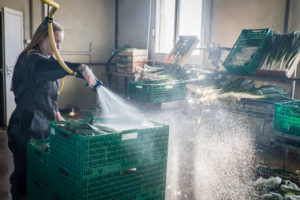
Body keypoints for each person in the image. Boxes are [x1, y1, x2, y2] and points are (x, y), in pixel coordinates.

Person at [7, 20, 97, 200]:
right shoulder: (30, 59)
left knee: (38, 175)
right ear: (42, 38)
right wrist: (80, 67)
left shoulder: (47, 60)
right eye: (55, 41)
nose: (58, 46)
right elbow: (49, 70)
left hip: (42, 127)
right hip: (26, 127)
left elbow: (48, 95)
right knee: (24, 177)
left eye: (60, 42)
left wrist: (56, 114)